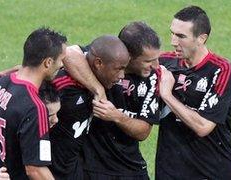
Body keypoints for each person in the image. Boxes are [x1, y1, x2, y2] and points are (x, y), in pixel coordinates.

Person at [63, 21, 161, 179]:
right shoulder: (105, 59)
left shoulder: (151, 78)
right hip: (92, 168)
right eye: (148, 61)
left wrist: (116, 116)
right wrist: (98, 89)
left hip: (130, 167)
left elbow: (143, 131)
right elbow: (68, 53)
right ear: (128, 56)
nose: (156, 66)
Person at [0, 27, 67, 179]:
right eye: (61, 60)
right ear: (47, 62)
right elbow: (35, 169)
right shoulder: (35, 107)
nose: (62, 65)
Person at [157, 6, 231, 179]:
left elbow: (203, 126)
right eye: (172, 33)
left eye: (181, 36)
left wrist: (167, 95)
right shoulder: (163, 62)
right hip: (170, 172)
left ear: (201, 38)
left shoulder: (222, 70)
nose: (173, 41)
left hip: (213, 172)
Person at [48, 35, 130, 179]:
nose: (122, 76)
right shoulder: (61, 88)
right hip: (51, 171)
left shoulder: (101, 78)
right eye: (118, 69)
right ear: (98, 63)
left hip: (74, 169)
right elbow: (69, 52)